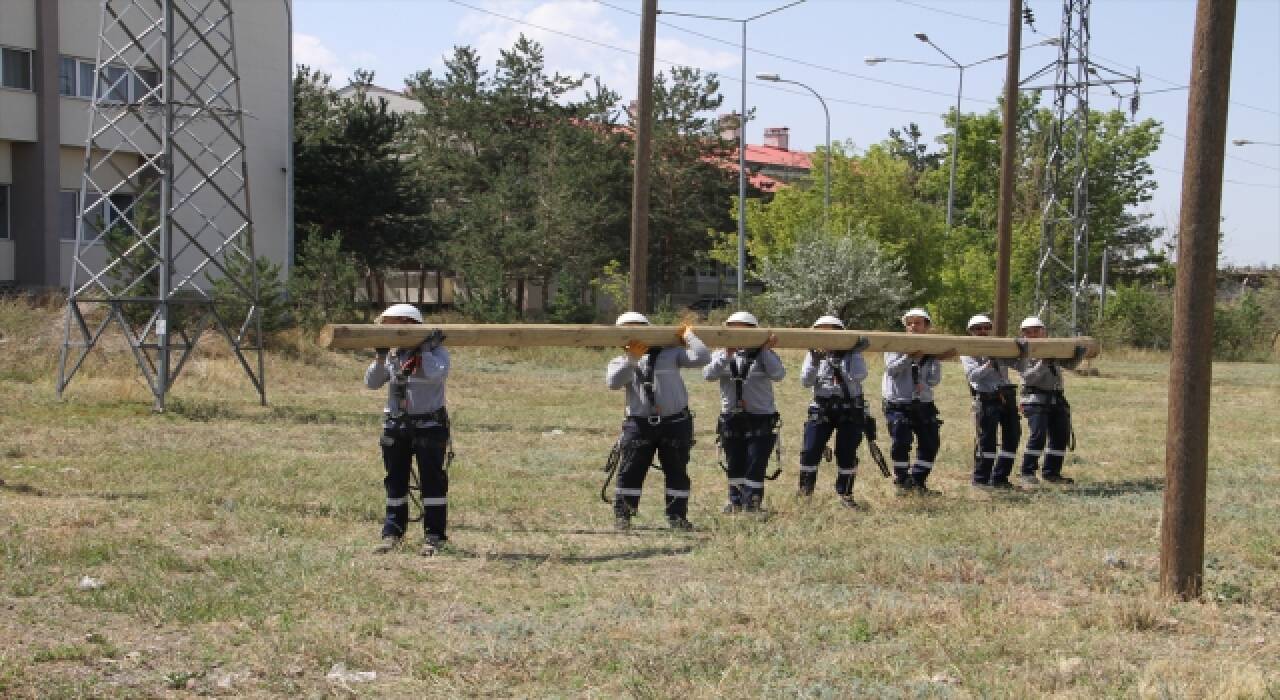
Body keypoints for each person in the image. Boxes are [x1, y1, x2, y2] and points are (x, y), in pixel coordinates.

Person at [605, 312, 711, 530]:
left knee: (677, 471)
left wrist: (689, 336)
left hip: (675, 423)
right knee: (631, 470)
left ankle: (677, 517)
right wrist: (632, 360)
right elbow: (613, 383)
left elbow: (703, 357)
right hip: (639, 424)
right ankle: (623, 516)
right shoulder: (620, 362)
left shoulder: (672, 353)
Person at [364, 303, 452, 556]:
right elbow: (371, 383)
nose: (384, 329)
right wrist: (380, 357)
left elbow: (435, 375)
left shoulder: (438, 353)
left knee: (433, 483)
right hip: (397, 426)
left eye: (390, 325)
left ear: (408, 324)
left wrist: (423, 349)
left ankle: (434, 536)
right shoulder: (393, 356)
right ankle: (392, 533)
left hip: (429, 426)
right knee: (395, 482)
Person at [703, 311, 785, 513]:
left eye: (744, 331)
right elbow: (708, 375)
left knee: (756, 463)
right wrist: (727, 354)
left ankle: (752, 504)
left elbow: (778, 374)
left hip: (761, 417)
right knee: (735, 462)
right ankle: (735, 502)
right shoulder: (721, 355)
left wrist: (765, 350)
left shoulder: (766, 355)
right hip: (732, 418)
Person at [798, 315, 871, 508]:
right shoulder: (813, 354)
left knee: (846, 453)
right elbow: (806, 381)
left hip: (849, 409)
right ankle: (805, 494)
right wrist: (814, 361)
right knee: (810, 450)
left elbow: (859, 375)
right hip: (822, 408)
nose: (827, 336)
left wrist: (853, 353)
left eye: (832, 331)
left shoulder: (852, 354)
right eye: (822, 332)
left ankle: (845, 495)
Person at [1016, 316, 1088, 485]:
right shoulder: (1022, 352)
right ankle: (1027, 472)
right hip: (1034, 399)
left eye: (1037, 331)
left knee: (1059, 437)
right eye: (1029, 332)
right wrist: (1043, 363)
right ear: (1023, 334)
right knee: (1038, 436)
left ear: (1043, 331)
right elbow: (1028, 378)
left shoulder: (1053, 347)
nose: (1033, 334)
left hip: (1056, 398)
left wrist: (1078, 355)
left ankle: (1052, 473)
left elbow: (1068, 365)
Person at [881, 308, 944, 495]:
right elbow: (892, 369)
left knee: (930, 443)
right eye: (910, 323)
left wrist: (932, 358)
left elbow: (933, 380)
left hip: (923, 403)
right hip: (899, 402)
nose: (913, 326)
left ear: (926, 326)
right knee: (901, 442)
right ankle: (902, 480)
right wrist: (910, 358)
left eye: (918, 322)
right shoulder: (895, 344)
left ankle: (918, 481)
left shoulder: (932, 349)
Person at [960, 313, 1024, 491]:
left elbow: (1021, 367)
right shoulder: (968, 350)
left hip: (1006, 397)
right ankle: (981, 479)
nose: (982, 331)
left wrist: (1023, 353)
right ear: (970, 331)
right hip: (987, 398)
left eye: (986, 328)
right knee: (987, 440)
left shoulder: (999, 346)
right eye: (978, 328)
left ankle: (1000, 477)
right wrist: (989, 363)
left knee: (1012, 437)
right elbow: (973, 376)